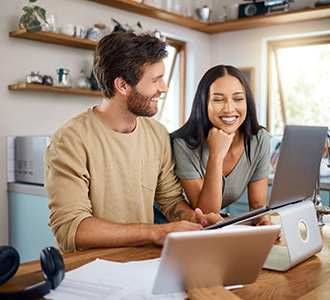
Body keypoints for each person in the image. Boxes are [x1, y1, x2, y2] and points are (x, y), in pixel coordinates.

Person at [44, 32, 222, 254]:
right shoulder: (69, 140)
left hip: (141, 263)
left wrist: (197, 220)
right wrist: (155, 232)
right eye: (155, 80)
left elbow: (170, 200)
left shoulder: (157, 134)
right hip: (88, 269)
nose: (164, 88)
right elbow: (72, 230)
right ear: (122, 85)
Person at [171, 65, 274, 226]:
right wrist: (216, 155)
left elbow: (257, 205)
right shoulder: (183, 144)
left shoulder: (259, 139)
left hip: (205, 231)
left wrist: (263, 221)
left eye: (238, 99)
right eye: (218, 99)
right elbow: (206, 215)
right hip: (170, 225)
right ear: (204, 103)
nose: (229, 108)